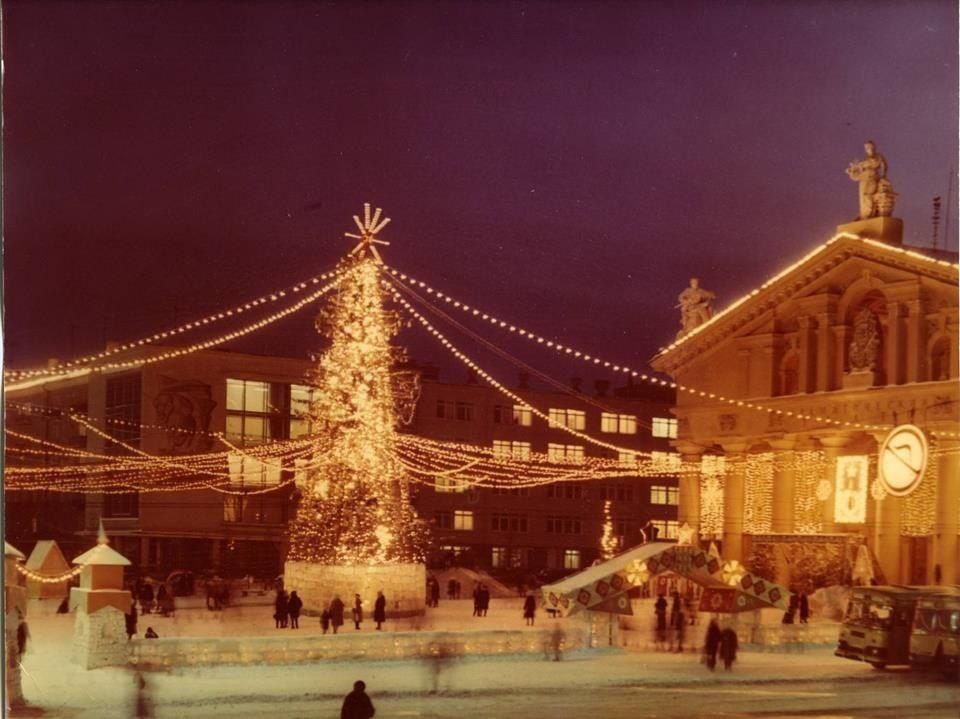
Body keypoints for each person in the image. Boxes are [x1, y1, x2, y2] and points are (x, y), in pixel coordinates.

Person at [845, 140, 888, 220]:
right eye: (866, 147)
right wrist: (851, 171)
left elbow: (884, 166)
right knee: (862, 198)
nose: (868, 148)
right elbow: (858, 171)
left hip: (872, 178)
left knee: (868, 195)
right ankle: (863, 215)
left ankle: (869, 214)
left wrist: (883, 176)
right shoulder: (864, 160)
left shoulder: (878, 156)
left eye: (869, 146)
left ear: (873, 147)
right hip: (863, 179)